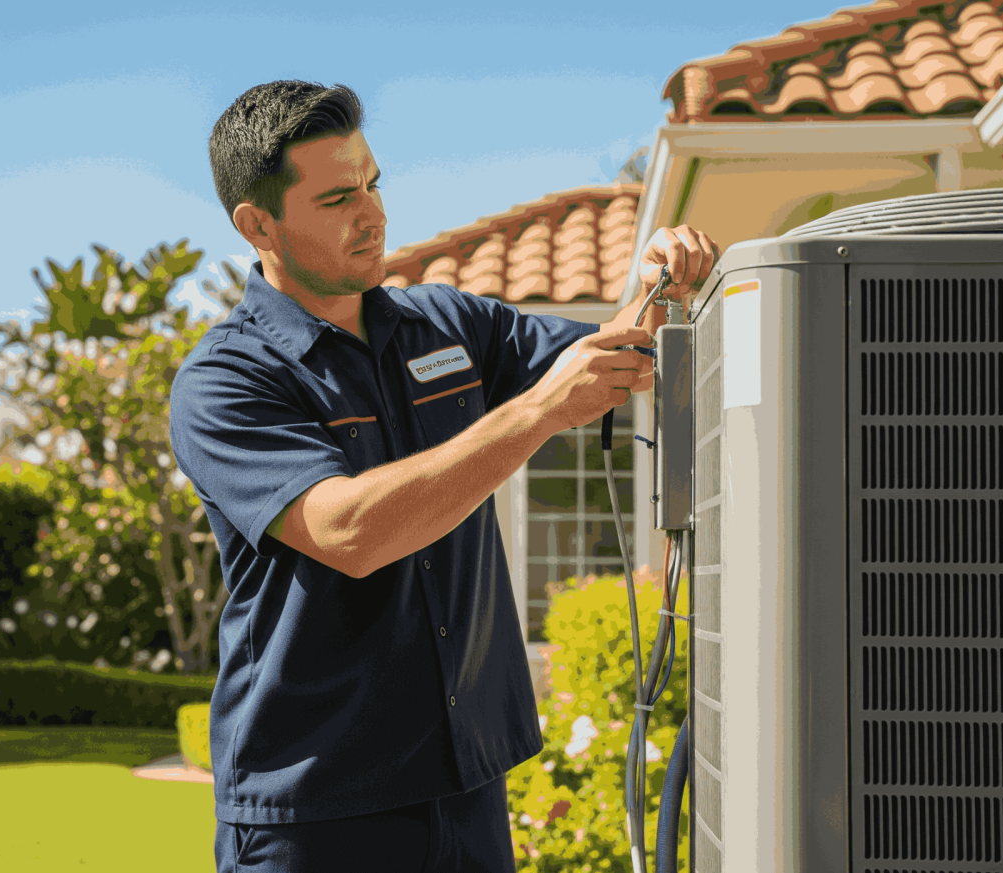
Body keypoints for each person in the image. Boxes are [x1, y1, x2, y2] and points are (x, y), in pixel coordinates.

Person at [170, 80, 719, 873]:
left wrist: (665, 282)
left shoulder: (451, 326)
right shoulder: (228, 380)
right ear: (258, 225)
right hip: (316, 809)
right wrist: (533, 412)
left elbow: (619, 354)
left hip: (465, 788)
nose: (372, 213)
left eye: (374, 183)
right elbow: (347, 531)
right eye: (336, 198)